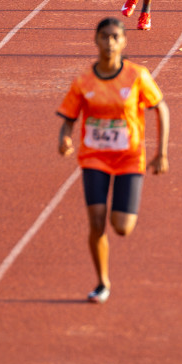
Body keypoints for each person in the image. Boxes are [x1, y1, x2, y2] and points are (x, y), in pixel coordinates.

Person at [56, 16, 170, 304]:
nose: (109, 42)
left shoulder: (137, 76)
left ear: (123, 42)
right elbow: (69, 117)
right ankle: (101, 282)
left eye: (115, 37)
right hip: (94, 157)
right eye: (104, 36)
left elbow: (161, 109)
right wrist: (64, 138)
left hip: (129, 158)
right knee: (96, 222)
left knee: (121, 227)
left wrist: (161, 153)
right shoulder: (83, 81)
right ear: (95, 40)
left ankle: (120, 206)